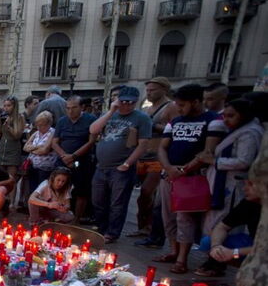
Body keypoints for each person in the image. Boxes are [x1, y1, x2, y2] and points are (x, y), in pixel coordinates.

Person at [156, 83, 225, 274]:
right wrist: (169, 168)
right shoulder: (175, 122)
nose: (178, 109)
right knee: (168, 216)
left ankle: (182, 259)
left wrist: (183, 170)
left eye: (182, 105)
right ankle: (173, 250)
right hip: (169, 175)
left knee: (185, 218)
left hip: (192, 178)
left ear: (195, 102)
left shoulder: (213, 120)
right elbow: (162, 147)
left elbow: (207, 152)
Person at [89, 85, 153, 243]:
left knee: (118, 203)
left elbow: (143, 144)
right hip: (101, 166)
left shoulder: (141, 118)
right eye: (123, 101)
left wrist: (127, 163)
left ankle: (112, 232)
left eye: (130, 102)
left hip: (121, 167)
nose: (126, 105)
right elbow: (93, 130)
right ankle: (101, 229)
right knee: (98, 200)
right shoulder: (109, 114)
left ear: (136, 102)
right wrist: (111, 111)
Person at [202, 98, 262, 233]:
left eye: (231, 116)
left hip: (234, 186)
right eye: (224, 116)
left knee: (225, 227)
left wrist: (214, 161)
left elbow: (244, 161)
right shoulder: (239, 130)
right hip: (224, 185)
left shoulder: (250, 132)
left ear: (243, 115)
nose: (225, 120)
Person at [131, 77, 179, 244]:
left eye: (153, 90)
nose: (149, 93)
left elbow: (175, 129)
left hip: (158, 157)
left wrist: (153, 125)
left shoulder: (171, 107)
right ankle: (142, 227)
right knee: (142, 196)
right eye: (148, 90)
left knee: (147, 192)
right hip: (143, 155)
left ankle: (152, 229)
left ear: (164, 89)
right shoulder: (146, 108)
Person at [195, 178, 259, 277]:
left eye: (250, 185)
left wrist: (234, 253)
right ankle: (219, 265)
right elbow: (221, 227)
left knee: (235, 254)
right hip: (252, 244)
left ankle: (255, 274)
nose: (244, 188)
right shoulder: (249, 203)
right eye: (245, 184)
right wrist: (216, 246)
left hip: (261, 251)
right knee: (208, 242)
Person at [51, 95, 97, 224]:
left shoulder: (90, 120)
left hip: (81, 160)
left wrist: (73, 156)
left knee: (81, 189)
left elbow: (91, 142)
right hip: (63, 159)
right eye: (68, 108)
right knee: (59, 187)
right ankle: (60, 215)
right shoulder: (62, 121)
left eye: (74, 108)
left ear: (82, 107)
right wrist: (64, 156)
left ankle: (76, 219)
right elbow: (54, 142)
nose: (70, 111)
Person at [0, 96, 26, 188]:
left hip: (13, 149)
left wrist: (9, 127)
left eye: (9, 105)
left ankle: (11, 198)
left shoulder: (20, 117)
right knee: (0, 177)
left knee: (11, 179)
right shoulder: (3, 116)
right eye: (4, 105)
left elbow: (17, 136)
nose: (6, 108)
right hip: (2, 148)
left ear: (14, 106)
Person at [23, 111, 57, 187]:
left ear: (49, 124)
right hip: (32, 165)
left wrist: (31, 149)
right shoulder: (36, 133)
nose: (39, 127)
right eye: (37, 125)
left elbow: (44, 150)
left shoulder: (53, 133)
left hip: (45, 167)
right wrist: (39, 146)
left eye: (41, 125)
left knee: (42, 188)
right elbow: (25, 147)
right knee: (32, 187)